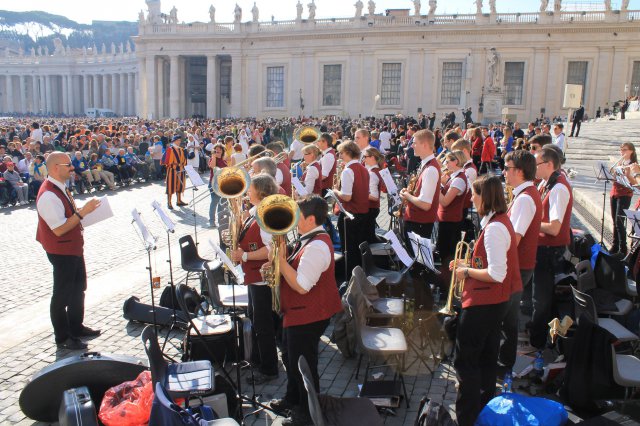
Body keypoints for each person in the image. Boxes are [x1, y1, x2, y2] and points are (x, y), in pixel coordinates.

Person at [451, 175, 521, 426]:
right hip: (495, 302)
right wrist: (466, 263)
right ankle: (483, 411)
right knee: (487, 358)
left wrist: (466, 272)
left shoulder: (494, 229)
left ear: (485, 197)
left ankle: (466, 417)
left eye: (475, 194)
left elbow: (496, 273)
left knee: (466, 361)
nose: (471, 198)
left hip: (484, 304)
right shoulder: (497, 222)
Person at [271, 195, 343, 426]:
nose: (294, 221)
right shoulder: (309, 238)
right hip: (299, 311)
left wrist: (280, 263)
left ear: (311, 219)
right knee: (293, 359)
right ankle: (292, 398)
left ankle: (307, 415)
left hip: (309, 313)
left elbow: (302, 285)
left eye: (298, 217)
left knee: (304, 366)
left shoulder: (318, 246)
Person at [35, 152, 102, 350]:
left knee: (78, 288)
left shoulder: (60, 186)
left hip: (72, 247)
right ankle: (63, 337)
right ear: (55, 167)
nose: (72, 168)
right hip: (61, 251)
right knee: (61, 296)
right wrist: (83, 212)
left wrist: (83, 212)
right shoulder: (48, 194)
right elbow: (59, 229)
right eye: (68, 165)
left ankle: (76, 326)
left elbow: (68, 216)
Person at [230, 174, 279, 385]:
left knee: (263, 324)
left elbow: (271, 249)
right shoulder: (254, 211)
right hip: (252, 276)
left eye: (250, 189)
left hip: (261, 278)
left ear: (260, 191)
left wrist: (246, 256)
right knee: (254, 317)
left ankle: (269, 368)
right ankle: (258, 360)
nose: (247, 192)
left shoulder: (265, 215)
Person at [499, 150, 542, 369]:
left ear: (520, 171)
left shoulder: (525, 198)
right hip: (519, 264)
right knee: (507, 315)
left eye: (507, 168)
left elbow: (513, 239)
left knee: (507, 316)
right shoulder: (523, 194)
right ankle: (504, 360)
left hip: (518, 265)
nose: (504, 172)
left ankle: (504, 362)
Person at [530, 147, 573, 351]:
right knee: (540, 298)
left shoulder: (559, 188)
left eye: (536, 164)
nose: (533, 168)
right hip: (544, 249)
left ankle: (537, 344)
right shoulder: (548, 183)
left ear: (548, 164)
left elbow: (554, 228)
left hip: (550, 251)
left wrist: (529, 222)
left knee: (542, 300)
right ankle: (541, 336)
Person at [333, 140, 370, 280]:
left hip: (350, 215)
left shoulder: (348, 170)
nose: (340, 156)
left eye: (341, 153)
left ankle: (350, 280)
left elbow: (347, 197)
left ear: (348, 152)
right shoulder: (364, 169)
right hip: (362, 214)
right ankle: (360, 278)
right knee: (358, 249)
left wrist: (335, 191)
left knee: (349, 250)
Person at [401, 129, 440, 244]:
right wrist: (409, 192)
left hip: (419, 224)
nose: (412, 146)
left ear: (425, 145)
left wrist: (407, 195)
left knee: (416, 261)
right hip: (417, 222)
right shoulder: (426, 165)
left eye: (415, 143)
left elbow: (425, 204)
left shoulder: (430, 169)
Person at [437, 150, 468, 279]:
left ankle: (447, 284)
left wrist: (436, 185)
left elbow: (445, 201)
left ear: (456, 161)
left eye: (448, 161)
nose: (445, 163)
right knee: (444, 252)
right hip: (447, 220)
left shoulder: (459, 180)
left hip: (451, 222)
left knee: (447, 254)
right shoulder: (455, 177)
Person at [609, 142, 637, 255]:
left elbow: (635, 183)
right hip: (614, 192)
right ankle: (615, 245)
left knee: (619, 221)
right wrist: (614, 174)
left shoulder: (634, 165)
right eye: (621, 150)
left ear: (631, 151)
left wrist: (628, 175)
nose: (622, 152)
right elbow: (614, 179)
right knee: (614, 221)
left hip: (625, 194)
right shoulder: (620, 162)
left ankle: (623, 248)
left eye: (625, 150)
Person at [363, 147, 385, 244]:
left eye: (365, 157)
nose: (363, 159)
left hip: (370, 209)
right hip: (372, 209)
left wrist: (359, 193)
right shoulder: (375, 170)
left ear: (372, 157)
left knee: (369, 238)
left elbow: (374, 197)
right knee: (370, 236)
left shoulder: (372, 173)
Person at [165, 135, 187, 210]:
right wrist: (175, 166)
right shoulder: (170, 149)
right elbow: (167, 161)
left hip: (181, 170)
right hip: (172, 170)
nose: (179, 142)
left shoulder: (181, 149)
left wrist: (182, 165)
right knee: (171, 186)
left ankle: (179, 201)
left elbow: (184, 160)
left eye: (180, 140)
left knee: (180, 185)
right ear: (174, 141)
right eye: (178, 140)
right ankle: (169, 202)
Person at [208, 143, 227, 227]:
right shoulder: (212, 159)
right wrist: (214, 156)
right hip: (214, 183)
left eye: (220, 149)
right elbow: (212, 166)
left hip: (223, 184)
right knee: (214, 202)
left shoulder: (224, 160)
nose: (218, 150)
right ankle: (212, 221)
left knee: (221, 203)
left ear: (222, 151)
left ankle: (221, 220)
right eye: (216, 149)